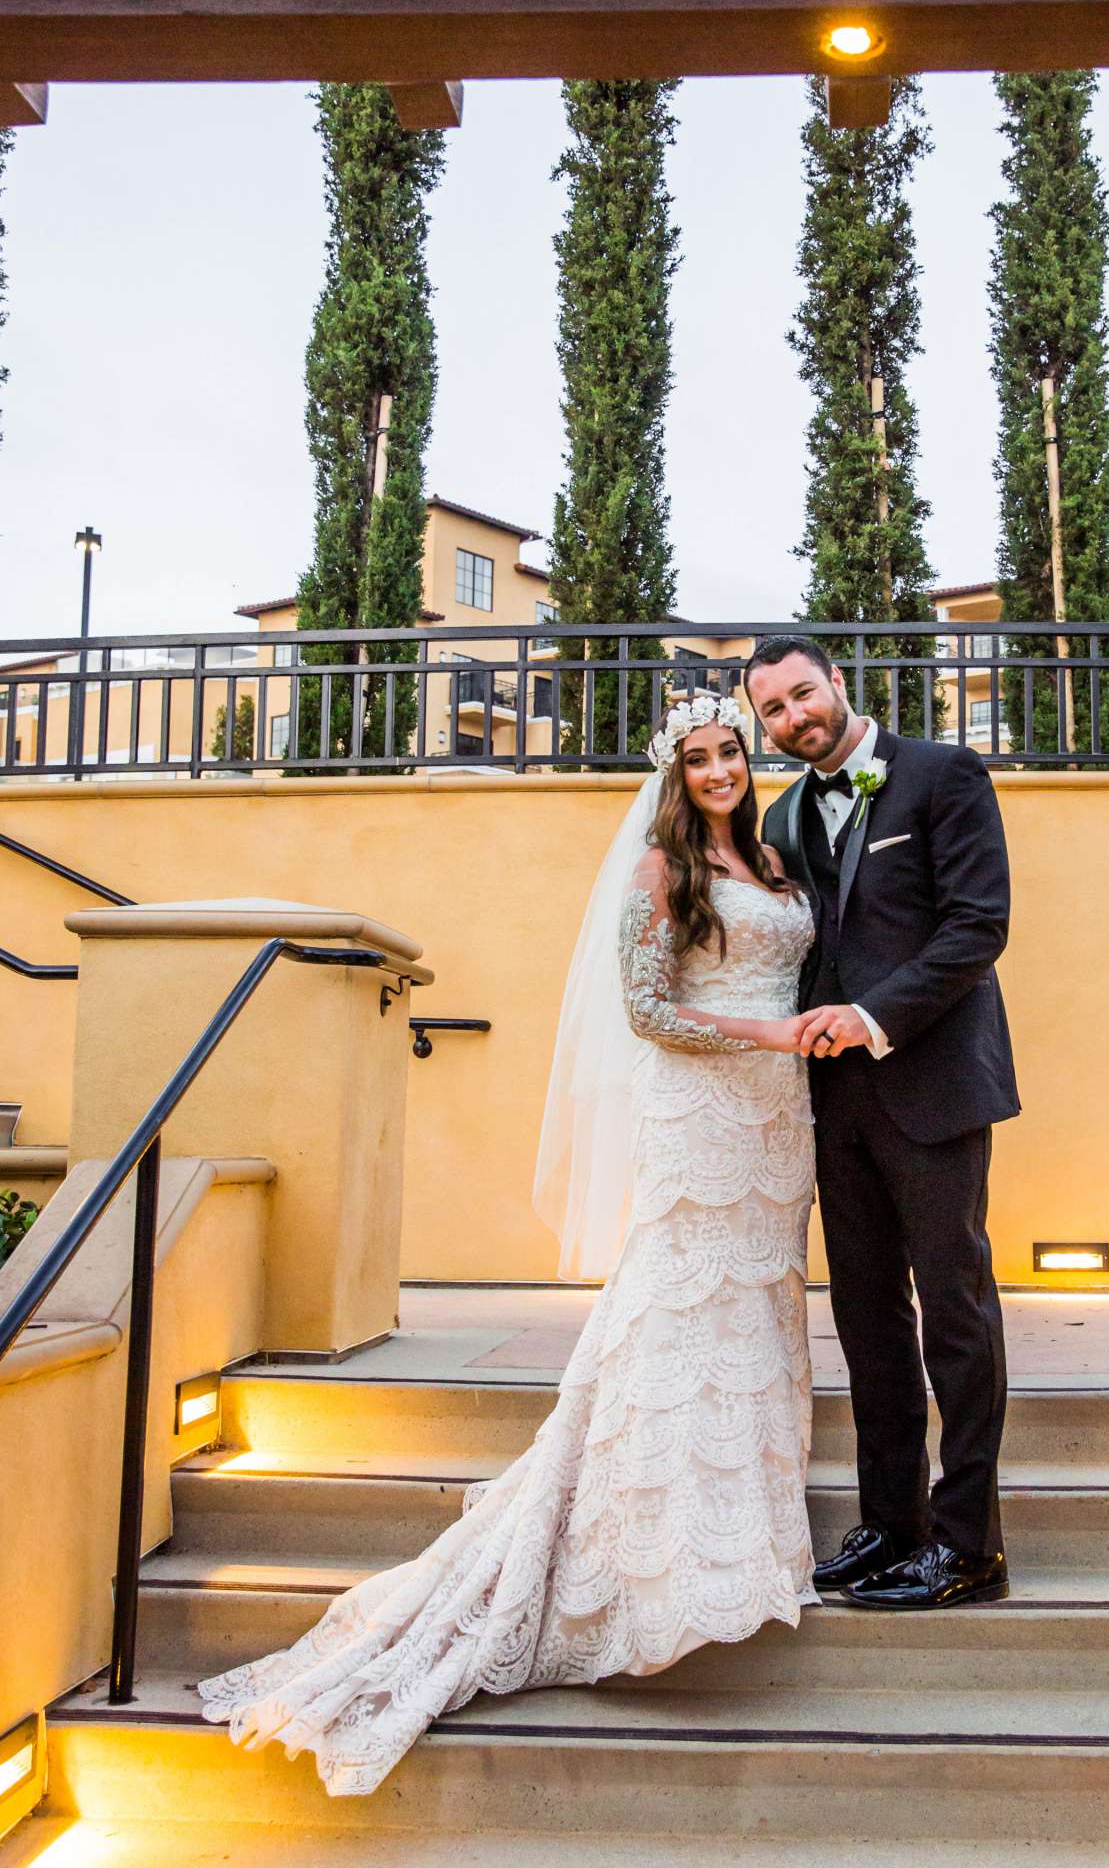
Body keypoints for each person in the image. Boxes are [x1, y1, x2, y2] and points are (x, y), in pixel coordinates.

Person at [199, 692, 818, 1796]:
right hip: (701, 1114)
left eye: (731, 751)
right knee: (676, 1309)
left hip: (781, 1120)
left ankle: (748, 1533)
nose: (720, 768)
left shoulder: (773, 860)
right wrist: (768, 1031)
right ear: (673, 772)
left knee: (758, 1302)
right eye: (701, 757)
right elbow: (646, 1011)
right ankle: (654, 1558)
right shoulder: (660, 871)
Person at [745, 634, 1018, 1611]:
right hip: (835, 1104)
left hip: (934, 1085)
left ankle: (968, 1545)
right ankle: (889, 1523)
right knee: (865, 1321)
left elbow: (975, 926)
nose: (792, 719)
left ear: (838, 685)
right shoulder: (782, 813)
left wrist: (872, 1018)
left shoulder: (944, 774)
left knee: (953, 1312)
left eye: (802, 695)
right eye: (771, 710)